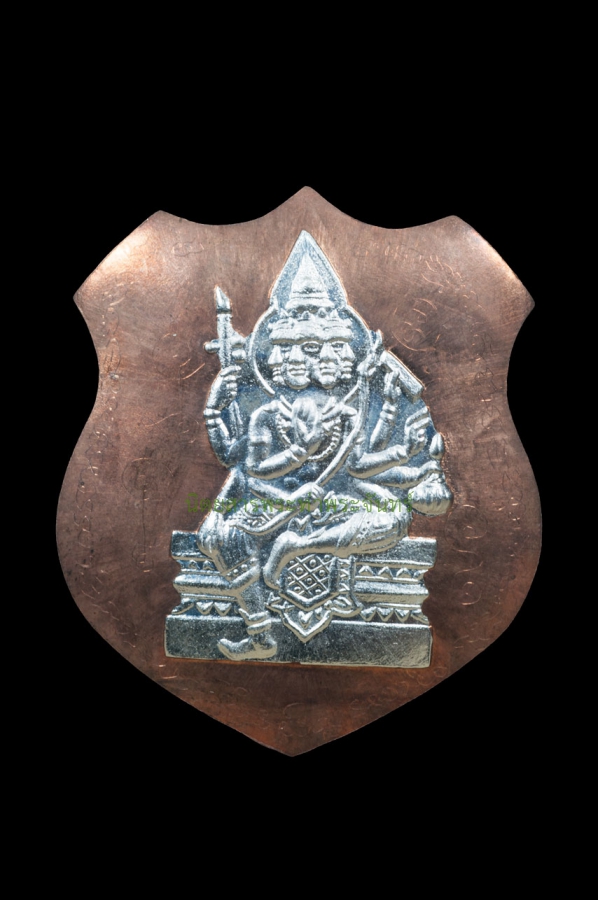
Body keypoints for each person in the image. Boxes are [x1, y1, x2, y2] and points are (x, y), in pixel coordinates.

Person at [197, 248, 452, 659]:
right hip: (271, 501)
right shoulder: (267, 414)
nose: (316, 361)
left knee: (394, 518)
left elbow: (358, 466)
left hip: (330, 503)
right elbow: (248, 468)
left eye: (329, 349)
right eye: (302, 350)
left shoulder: (345, 412)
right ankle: (260, 636)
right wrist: (216, 412)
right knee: (224, 535)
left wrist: (404, 454)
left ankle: (297, 546)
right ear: (279, 358)